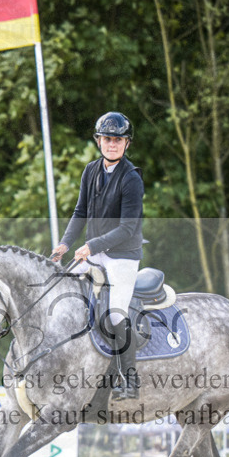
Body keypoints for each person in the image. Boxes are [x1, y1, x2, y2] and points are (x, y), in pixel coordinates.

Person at [51, 111, 144, 400]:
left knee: (115, 313)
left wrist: (91, 246)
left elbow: (127, 228)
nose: (112, 144)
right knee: (59, 289)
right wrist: (65, 244)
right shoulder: (90, 171)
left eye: (118, 140)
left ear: (127, 143)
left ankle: (130, 380)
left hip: (122, 256)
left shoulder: (131, 179)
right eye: (107, 139)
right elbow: (80, 212)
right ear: (98, 141)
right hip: (95, 252)